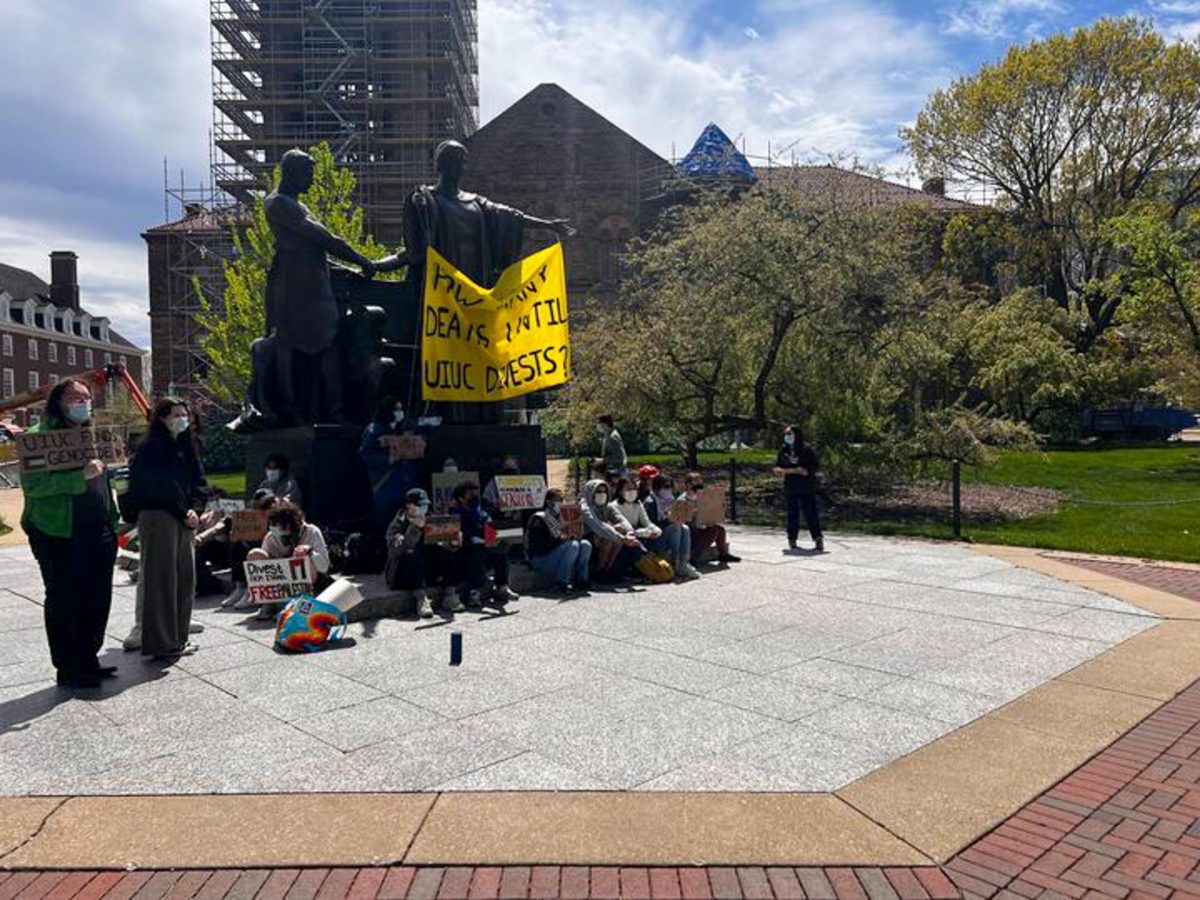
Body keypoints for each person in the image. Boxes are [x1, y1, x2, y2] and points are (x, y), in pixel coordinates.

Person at [20, 378, 120, 689]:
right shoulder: (36, 439)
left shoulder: (93, 435)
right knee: (66, 598)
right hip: (58, 531)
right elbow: (35, 487)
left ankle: (88, 658)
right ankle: (68, 666)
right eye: (76, 397)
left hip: (99, 528)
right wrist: (79, 477)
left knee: (97, 596)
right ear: (58, 401)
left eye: (87, 397)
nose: (83, 403)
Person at [127, 397, 209, 659]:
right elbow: (155, 486)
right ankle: (162, 642)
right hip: (160, 517)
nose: (181, 419)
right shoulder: (151, 448)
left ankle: (178, 637)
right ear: (162, 418)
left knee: (184, 579)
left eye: (184, 414)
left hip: (185, 518)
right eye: (175, 415)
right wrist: (182, 511)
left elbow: (199, 481)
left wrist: (196, 508)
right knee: (162, 582)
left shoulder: (187, 446)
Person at [246, 501, 333, 621]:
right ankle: (269, 602)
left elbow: (324, 566)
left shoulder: (312, 531)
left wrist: (310, 551)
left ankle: (296, 603)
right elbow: (263, 569)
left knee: (301, 555)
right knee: (255, 554)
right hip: (280, 582)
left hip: (307, 582)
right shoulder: (271, 537)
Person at [384, 488, 455, 619]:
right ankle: (421, 599)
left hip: (426, 570)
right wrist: (415, 528)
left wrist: (453, 542)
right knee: (411, 553)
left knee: (446, 553)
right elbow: (397, 551)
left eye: (425, 505)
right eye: (420, 505)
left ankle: (450, 595)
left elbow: (444, 545)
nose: (423, 508)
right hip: (402, 573)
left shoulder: (430, 519)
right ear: (409, 506)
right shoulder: (398, 523)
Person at [359, 396, 421, 542]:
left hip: (406, 488)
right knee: (386, 527)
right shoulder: (374, 430)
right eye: (396, 410)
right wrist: (389, 459)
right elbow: (366, 455)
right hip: (385, 489)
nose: (400, 413)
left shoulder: (405, 427)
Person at [449, 480, 519, 608]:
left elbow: (488, 524)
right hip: (465, 551)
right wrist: (479, 539)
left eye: (475, 493)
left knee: (501, 550)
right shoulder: (455, 513)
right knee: (476, 553)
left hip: (485, 545)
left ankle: (501, 587)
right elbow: (461, 535)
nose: (474, 497)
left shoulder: (479, 510)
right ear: (461, 498)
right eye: (470, 494)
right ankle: (474, 593)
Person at [219, 489, 281, 610]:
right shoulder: (254, 515)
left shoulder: (282, 512)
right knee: (238, 543)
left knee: (251, 548)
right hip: (261, 544)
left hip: (275, 549)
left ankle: (250, 590)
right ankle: (240, 587)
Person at [525, 488, 592, 593]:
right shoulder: (540, 518)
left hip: (559, 554)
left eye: (562, 500)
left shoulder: (562, 516)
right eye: (557, 500)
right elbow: (540, 547)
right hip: (541, 558)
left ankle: (581, 580)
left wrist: (579, 527)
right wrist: (562, 539)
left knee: (585, 544)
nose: (560, 503)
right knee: (572, 545)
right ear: (548, 502)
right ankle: (561, 582)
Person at [580, 478, 643, 582]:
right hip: (590, 535)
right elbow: (598, 525)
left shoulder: (606, 506)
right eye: (598, 492)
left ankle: (608, 568)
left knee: (618, 530)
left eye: (604, 491)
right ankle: (600, 569)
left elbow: (621, 519)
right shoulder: (585, 507)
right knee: (610, 536)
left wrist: (629, 532)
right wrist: (622, 538)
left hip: (605, 535)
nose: (602, 494)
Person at [774, 425, 824, 552]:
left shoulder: (806, 449)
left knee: (810, 513)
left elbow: (813, 467)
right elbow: (778, 466)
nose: (788, 437)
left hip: (806, 487)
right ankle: (792, 539)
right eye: (786, 434)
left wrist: (805, 471)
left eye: (790, 434)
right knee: (792, 514)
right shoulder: (784, 449)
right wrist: (782, 470)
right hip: (791, 486)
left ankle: (818, 538)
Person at [643, 474, 700, 579]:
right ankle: (675, 560)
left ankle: (684, 562)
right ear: (657, 487)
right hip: (656, 539)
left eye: (670, 487)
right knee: (675, 527)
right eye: (665, 487)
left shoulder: (671, 499)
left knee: (684, 528)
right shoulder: (650, 502)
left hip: (671, 534)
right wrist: (668, 520)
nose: (668, 490)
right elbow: (650, 524)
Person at [681, 472, 741, 566]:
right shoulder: (683, 499)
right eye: (696, 482)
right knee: (713, 531)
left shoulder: (702, 497)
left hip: (700, 528)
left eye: (701, 482)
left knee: (720, 529)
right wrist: (694, 514)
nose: (700, 484)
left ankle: (723, 555)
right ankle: (693, 557)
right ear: (688, 484)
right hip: (689, 532)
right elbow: (682, 519)